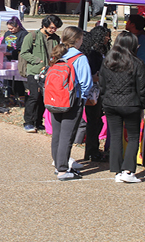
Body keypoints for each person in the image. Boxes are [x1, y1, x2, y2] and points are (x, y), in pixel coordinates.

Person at [99, 31, 145, 183]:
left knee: (115, 136)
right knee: (133, 137)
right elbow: (142, 88)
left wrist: (104, 100)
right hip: (131, 104)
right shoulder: (137, 63)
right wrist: (142, 106)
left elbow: (102, 84)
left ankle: (117, 170)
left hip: (111, 103)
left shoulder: (107, 61)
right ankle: (128, 171)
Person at [49, 26, 93, 181]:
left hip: (54, 99)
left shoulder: (58, 54)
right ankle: (62, 170)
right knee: (67, 136)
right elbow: (86, 82)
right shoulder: (80, 58)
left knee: (57, 134)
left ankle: (58, 164)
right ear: (78, 40)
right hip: (72, 100)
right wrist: (85, 97)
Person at [20, 15, 63, 133]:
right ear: (44, 25)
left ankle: (38, 122)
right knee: (33, 96)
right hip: (34, 71)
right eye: (52, 27)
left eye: (55, 28)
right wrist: (37, 60)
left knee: (43, 98)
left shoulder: (56, 39)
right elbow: (24, 52)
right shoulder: (32, 36)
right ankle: (28, 122)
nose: (53, 30)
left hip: (49, 73)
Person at [79, 26, 111, 162]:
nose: (108, 38)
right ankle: (91, 151)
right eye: (106, 36)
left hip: (100, 90)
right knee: (94, 121)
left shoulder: (103, 50)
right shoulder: (92, 53)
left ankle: (93, 149)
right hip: (93, 90)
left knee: (97, 121)